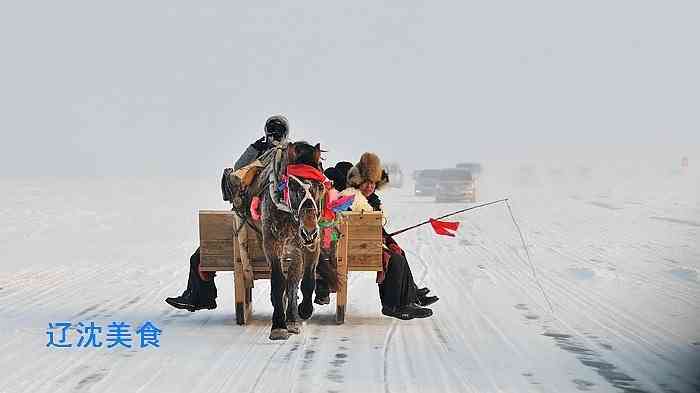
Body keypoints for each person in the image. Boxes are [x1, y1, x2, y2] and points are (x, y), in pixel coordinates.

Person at [165, 115, 290, 312]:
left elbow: (237, 172)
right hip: (285, 245)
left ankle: (200, 298)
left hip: (245, 236)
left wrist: (254, 149)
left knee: (198, 258)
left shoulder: (258, 152)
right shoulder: (291, 155)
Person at [340, 153, 439, 320]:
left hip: (369, 243)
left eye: (373, 183)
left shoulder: (372, 201)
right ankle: (393, 305)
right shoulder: (350, 198)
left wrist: (388, 240)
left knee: (399, 253)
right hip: (354, 246)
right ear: (358, 182)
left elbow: (377, 229)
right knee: (395, 259)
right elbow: (355, 225)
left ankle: (411, 297)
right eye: (366, 183)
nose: (370, 187)